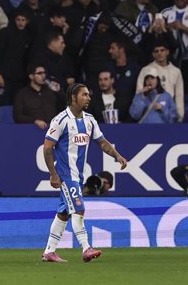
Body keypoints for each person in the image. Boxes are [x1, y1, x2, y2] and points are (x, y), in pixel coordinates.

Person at [41, 83, 128, 263]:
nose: (89, 98)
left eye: (88, 95)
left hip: (78, 176)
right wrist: (53, 174)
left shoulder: (89, 120)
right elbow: (47, 147)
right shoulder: (60, 120)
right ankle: (86, 248)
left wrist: (117, 156)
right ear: (73, 97)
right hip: (66, 175)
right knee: (79, 208)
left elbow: (102, 142)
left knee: (64, 213)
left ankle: (49, 251)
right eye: (85, 95)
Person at [13, 63, 61, 130]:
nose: (43, 75)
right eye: (39, 73)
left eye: (44, 73)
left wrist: (59, 92)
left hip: (53, 129)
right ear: (31, 76)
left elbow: (65, 107)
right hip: (31, 129)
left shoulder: (50, 91)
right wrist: (35, 121)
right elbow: (18, 117)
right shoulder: (22, 94)